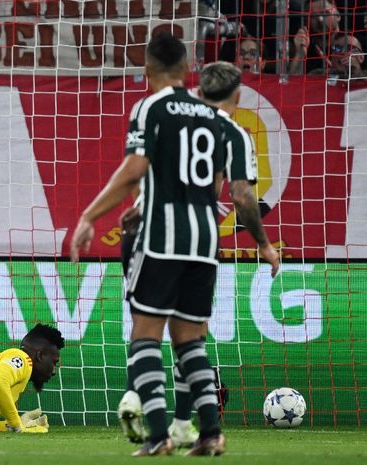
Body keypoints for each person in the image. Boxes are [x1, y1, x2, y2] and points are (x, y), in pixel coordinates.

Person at [70, 32, 279, 457]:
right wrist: (264, 244)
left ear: (147, 71)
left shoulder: (151, 107)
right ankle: (210, 434)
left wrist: (89, 217)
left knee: (145, 338)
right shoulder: (228, 127)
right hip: (205, 244)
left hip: (162, 238)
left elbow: (134, 169)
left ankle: (159, 436)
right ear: (189, 72)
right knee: (190, 342)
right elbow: (241, 196)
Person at [289, 0, 342, 75]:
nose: (320, 19)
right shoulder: (308, 50)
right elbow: (292, 83)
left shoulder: (354, 42)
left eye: (324, 13)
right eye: (313, 16)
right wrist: (300, 54)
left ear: (337, 15)